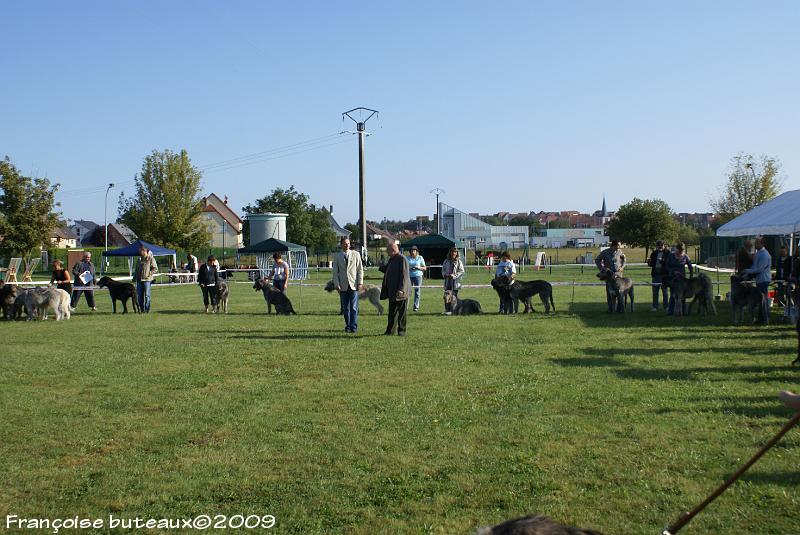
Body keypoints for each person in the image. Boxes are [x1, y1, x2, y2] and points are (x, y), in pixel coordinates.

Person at [331, 237, 363, 333]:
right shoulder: (337, 256)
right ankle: (348, 326)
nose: (347, 245)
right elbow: (335, 272)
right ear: (341, 245)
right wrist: (336, 284)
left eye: (348, 243)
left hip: (354, 285)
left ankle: (353, 327)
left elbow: (360, 270)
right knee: (345, 308)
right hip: (342, 286)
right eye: (345, 243)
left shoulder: (356, 254)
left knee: (353, 307)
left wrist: (360, 283)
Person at [380, 242, 411, 336]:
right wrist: (381, 266)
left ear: (393, 250)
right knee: (392, 313)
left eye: (388, 251)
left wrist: (401, 289)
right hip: (392, 291)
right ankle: (390, 331)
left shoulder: (402, 259)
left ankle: (401, 331)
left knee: (401, 314)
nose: (387, 253)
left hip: (401, 292)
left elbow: (404, 276)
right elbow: (387, 270)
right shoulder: (392, 259)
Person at [743, 236, 772, 325]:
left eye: (757, 243)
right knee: (760, 301)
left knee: (763, 301)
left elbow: (759, 269)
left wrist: (747, 271)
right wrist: (747, 273)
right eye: (755, 243)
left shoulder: (764, 254)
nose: (755, 244)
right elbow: (755, 267)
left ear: (763, 244)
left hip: (763, 280)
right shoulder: (759, 253)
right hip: (760, 280)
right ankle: (761, 319)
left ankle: (765, 320)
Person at [666, 242, 693, 316]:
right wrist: (672, 271)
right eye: (679, 250)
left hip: (682, 279)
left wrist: (691, 276)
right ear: (676, 249)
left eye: (682, 251)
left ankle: (683, 312)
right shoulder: (671, 255)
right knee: (673, 295)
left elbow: (690, 267)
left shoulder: (685, 256)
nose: (680, 252)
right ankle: (671, 311)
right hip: (673, 278)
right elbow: (667, 266)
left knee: (682, 295)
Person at [134, 245, 158, 313]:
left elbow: (155, 268)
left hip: (147, 281)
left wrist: (149, 274)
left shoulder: (151, 259)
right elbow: (136, 270)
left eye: (140, 251)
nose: (139, 253)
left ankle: (147, 309)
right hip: (139, 280)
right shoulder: (139, 259)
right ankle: (141, 309)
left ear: (144, 251)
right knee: (140, 296)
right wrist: (134, 278)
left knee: (147, 296)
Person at [441, 247, 465, 315]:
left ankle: (454, 311)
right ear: (450, 252)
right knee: (446, 297)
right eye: (452, 252)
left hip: (455, 283)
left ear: (457, 253)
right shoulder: (446, 261)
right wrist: (445, 274)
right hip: (447, 282)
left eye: (455, 252)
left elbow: (462, 271)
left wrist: (454, 276)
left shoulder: (459, 262)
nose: (453, 253)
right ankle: (447, 310)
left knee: (454, 298)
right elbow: (443, 270)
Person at [647, 240, 669, 311]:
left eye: (661, 245)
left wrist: (662, 261)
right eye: (658, 246)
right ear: (656, 246)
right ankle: (655, 307)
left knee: (665, 292)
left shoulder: (667, 253)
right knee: (655, 292)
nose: (659, 247)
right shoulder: (654, 253)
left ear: (663, 245)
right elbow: (651, 264)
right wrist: (649, 262)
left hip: (664, 276)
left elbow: (668, 263)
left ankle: (666, 306)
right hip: (655, 275)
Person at [406, 246, 426, 312]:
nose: (412, 252)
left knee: (417, 292)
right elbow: (405, 267)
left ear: (417, 251)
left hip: (418, 276)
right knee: (408, 291)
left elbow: (424, 268)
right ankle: (406, 306)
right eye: (411, 251)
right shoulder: (407, 258)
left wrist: (418, 267)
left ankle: (416, 307)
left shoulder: (420, 258)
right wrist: (409, 268)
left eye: (414, 251)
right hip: (409, 276)